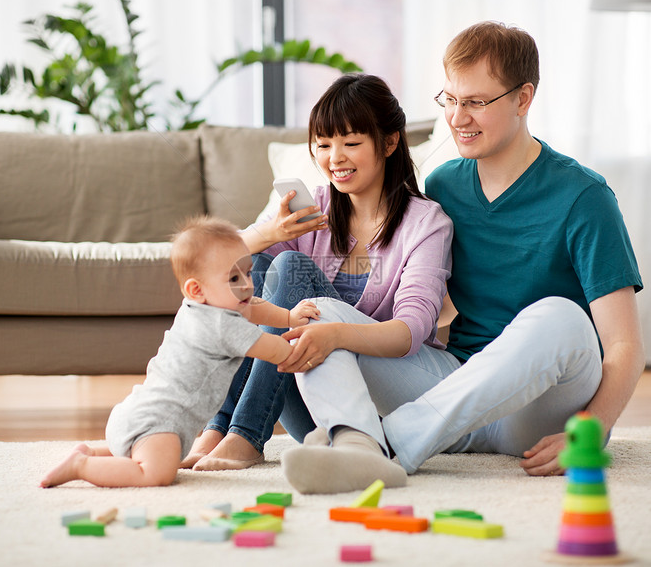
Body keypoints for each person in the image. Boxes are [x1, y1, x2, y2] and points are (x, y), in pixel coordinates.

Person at [281, 21, 644, 494]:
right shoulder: (445, 185)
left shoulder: (585, 197)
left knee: (563, 317)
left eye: (476, 102)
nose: (457, 118)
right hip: (454, 387)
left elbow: (625, 346)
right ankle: (358, 448)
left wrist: (593, 428)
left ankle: (390, 444)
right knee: (322, 316)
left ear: (523, 98)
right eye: (449, 100)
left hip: (538, 410)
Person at [181, 74, 453, 487]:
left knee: (292, 267)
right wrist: (269, 233)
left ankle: (246, 434)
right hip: (307, 395)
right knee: (249, 274)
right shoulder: (315, 206)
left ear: (390, 142)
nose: (335, 158)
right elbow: (217, 266)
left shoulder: (425, 223)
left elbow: (411, 332)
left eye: (351, 143)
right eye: (324, 145)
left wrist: (333, 335)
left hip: (373, 404)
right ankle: (221, 425)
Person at [39, 216, 318, 488]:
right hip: (160, 423)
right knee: (156, 473)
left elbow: (254, 307)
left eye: (247, 271)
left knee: (151, 457)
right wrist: (313, 347)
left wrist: (289, 317)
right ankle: (82, 467)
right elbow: (279, 351)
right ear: (196, 289)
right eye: (234, 277)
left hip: (138, 412)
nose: (247, 283)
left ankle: (90, 454)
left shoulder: (199, 307)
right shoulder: (225, 327)